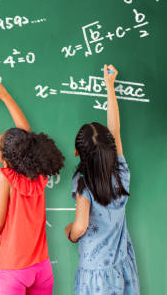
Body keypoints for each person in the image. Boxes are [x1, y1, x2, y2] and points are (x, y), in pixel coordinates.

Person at [0, 80, 65, 295]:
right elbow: (26, 136)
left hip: (15, 269)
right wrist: (4, 95)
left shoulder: (6, 177)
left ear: (6, 158)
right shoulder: (39, 174)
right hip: (42, 267)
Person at [65, 64, 139, 294]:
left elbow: (81, 225)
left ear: (77, 153)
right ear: (110, 149)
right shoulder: (121, 171)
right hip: (121, 263)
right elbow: (114, 130)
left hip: (95, 272)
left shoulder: (83, 184)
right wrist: (110, 86)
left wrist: (70, 232)